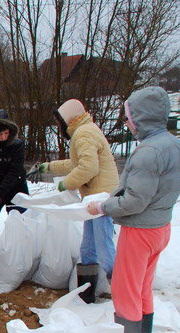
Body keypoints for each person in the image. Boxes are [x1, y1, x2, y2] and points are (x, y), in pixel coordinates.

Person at [86, 86, 180, 333]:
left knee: (125, 289)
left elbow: (134, 202)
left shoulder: (148, 152)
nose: (129, 124)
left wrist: (102, 206)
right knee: (142, 286)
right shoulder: (175, 144)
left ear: (142, 118)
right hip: (161, 227)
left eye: (130, 118)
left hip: (140, 231)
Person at [37, 98, 120, 304]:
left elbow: (88, 169)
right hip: (94, 197)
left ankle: (121, 290)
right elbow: (76, 163)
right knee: (88, 246)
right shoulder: (84, 130)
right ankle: (87, 292)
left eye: (60, 122)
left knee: (103, 246)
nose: (59, 127)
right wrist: (48, 168)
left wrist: (67, 184)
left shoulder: (83, 133)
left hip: (101, 197)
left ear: (68, 119)